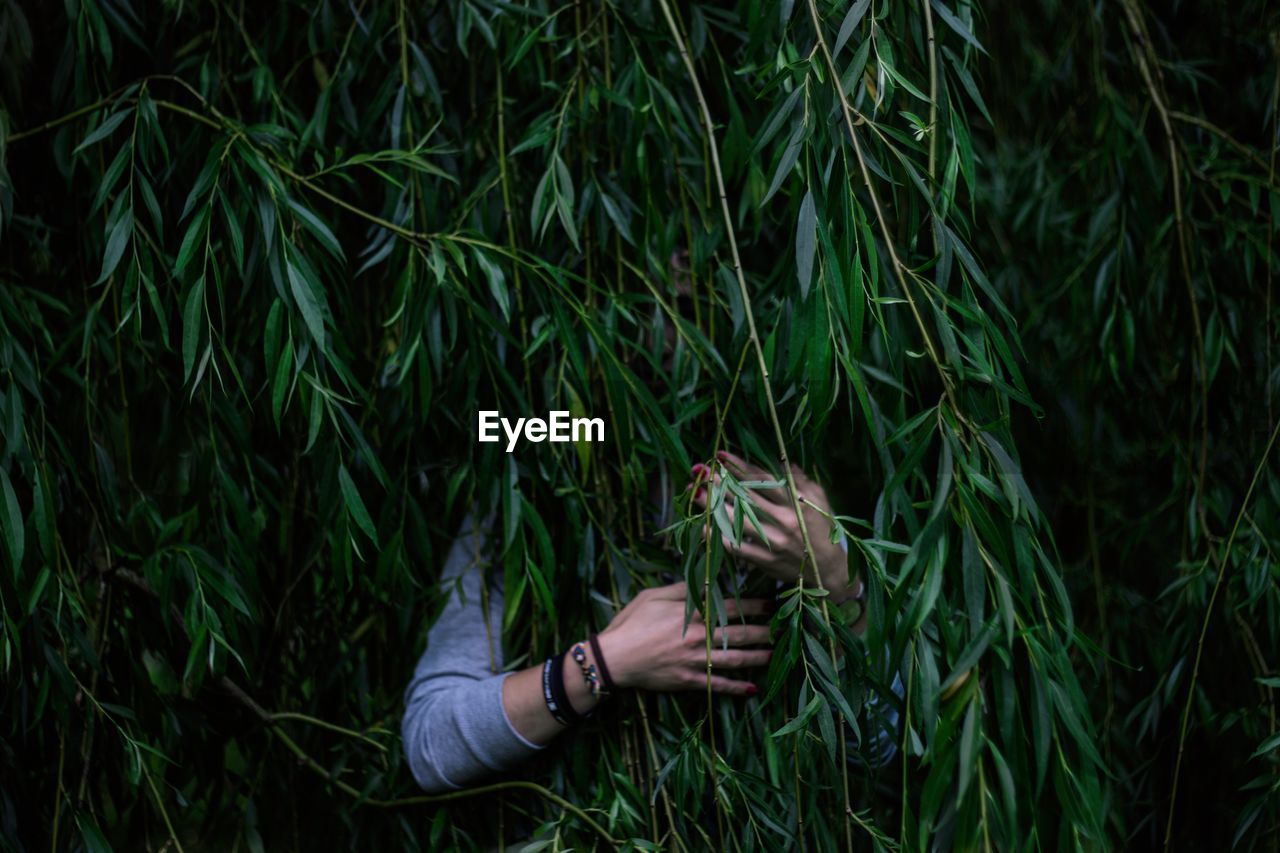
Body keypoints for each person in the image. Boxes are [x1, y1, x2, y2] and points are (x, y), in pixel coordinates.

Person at [401, 450, 901, 793]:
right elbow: (431, 744)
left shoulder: (785, 496)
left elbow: (877, 750)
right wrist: (604, 662)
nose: (665, 329)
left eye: (689, 303)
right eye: (648, 302)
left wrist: (836, 584)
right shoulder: (526, 496)